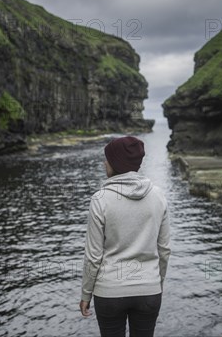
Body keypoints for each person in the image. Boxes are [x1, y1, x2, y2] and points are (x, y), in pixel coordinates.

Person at [79, 136, 171, 337]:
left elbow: (93, 256)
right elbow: (164, 249)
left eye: (108, 159)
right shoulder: (158, 196)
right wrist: (156, 283)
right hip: (149, 289)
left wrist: (86, 293)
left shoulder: (100, 199)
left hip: (109, 292)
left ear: (116, 163)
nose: (105, 163)